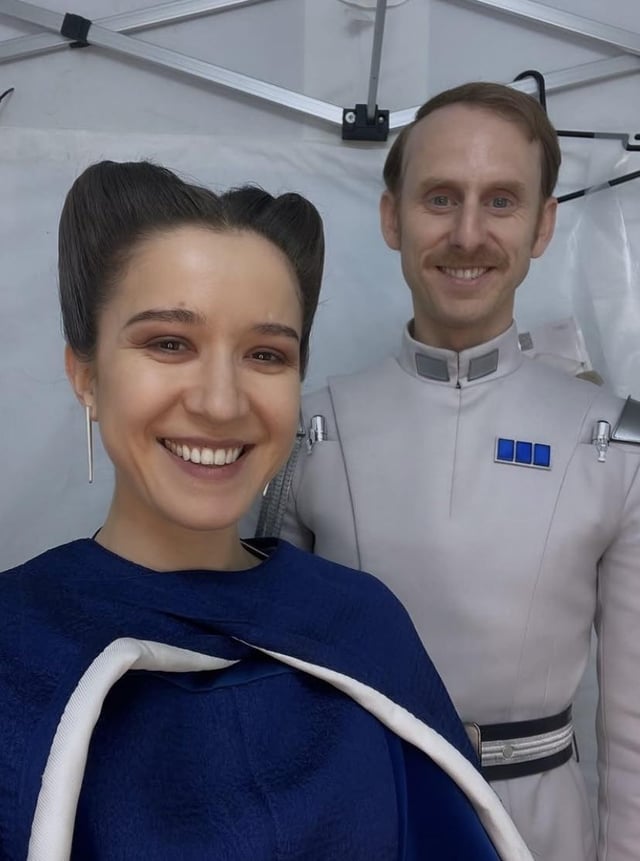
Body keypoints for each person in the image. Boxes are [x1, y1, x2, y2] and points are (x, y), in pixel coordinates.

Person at [0, 160, 531, 861]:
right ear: (86, 374)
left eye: (265, 354)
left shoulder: (361, 621)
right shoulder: (17, 642)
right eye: (169, 343)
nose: (221, 402)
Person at [257, 82, 640, 861]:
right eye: (440, 198)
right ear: (392, 217)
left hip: (543, 837)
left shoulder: (611, 440)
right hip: (361, 821)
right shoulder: (310, 429)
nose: (468, 234)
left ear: (543, 224)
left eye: (501, 201)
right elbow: (271, 689)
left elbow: (633, 725)